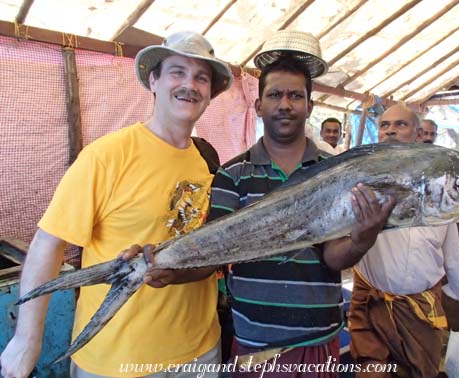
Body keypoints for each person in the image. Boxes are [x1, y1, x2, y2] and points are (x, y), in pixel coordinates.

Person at [0, 31, 233, 378]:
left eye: (201, 77)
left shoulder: (206, 159)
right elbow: (48, 243)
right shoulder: (107, 155)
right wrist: (27, 339)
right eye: (177, 72)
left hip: (198, 353)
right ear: (153, 80)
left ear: (210, 93)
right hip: (117, 359)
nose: (190, 85)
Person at [208, 50, 395, 376]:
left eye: (296, 96)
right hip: (255, 339)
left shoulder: (336, 172)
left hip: (319, 336)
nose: (285, 104)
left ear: (310, 106)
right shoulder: (231, 175)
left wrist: (362, 239)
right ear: (258, 106)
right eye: (275, 95)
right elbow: (213, 253)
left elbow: (333, 257)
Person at [348, 104, 459, 378]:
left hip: (421, 309)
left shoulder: (438, 188)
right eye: (385, 125)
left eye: (400, 125)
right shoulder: (361, 181)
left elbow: (452, 252)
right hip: (371, 303)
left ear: (419, 134)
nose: (391, 130)